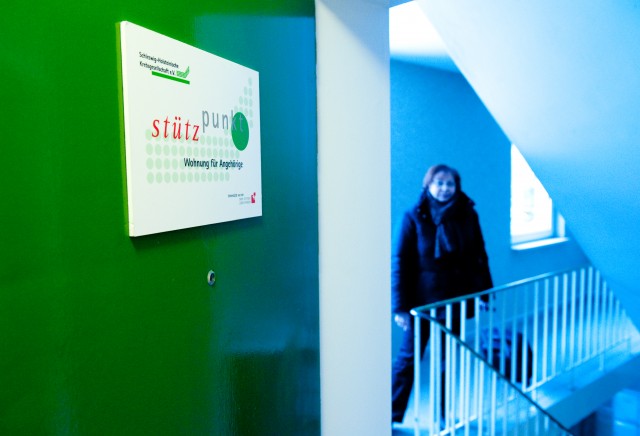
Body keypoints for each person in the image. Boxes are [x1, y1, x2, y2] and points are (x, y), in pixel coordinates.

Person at [391, 164, 493, 424]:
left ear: (456, 186)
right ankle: (391, 416)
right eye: (439, 183)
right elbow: (399, 262)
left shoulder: (467, 214)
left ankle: (442, 415)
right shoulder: (413, 216)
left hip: (454, 301)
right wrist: (399, 308)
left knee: (446, 360)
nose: (445, 189)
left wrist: (484, 293)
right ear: (428, 185)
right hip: (421, 303)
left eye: (450, 184)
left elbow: (478, 255)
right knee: (408, 360)